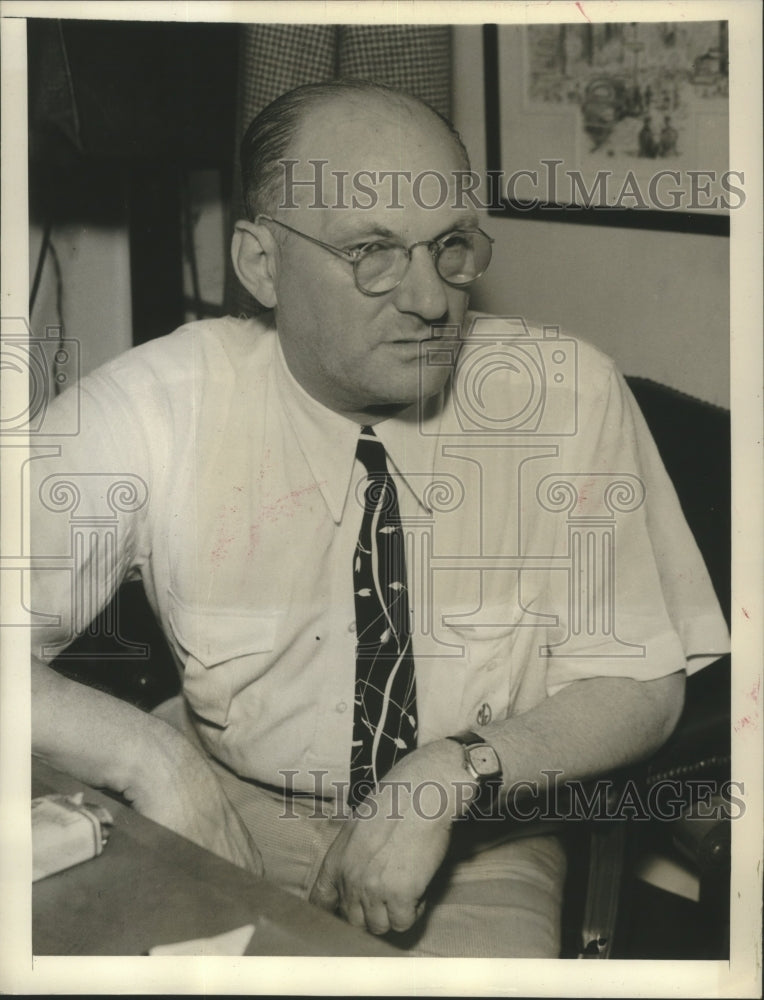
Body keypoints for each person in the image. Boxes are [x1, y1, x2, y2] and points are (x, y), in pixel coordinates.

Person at [30, 81, 729, 958]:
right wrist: (153, 762)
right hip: (225, 798)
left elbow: (640, 685)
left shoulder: (565, 393)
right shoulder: (162, 403)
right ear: (260, 264)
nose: (432, 301)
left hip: (479, 835)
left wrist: (448, 776)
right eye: (373, 252)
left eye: (451, 249)